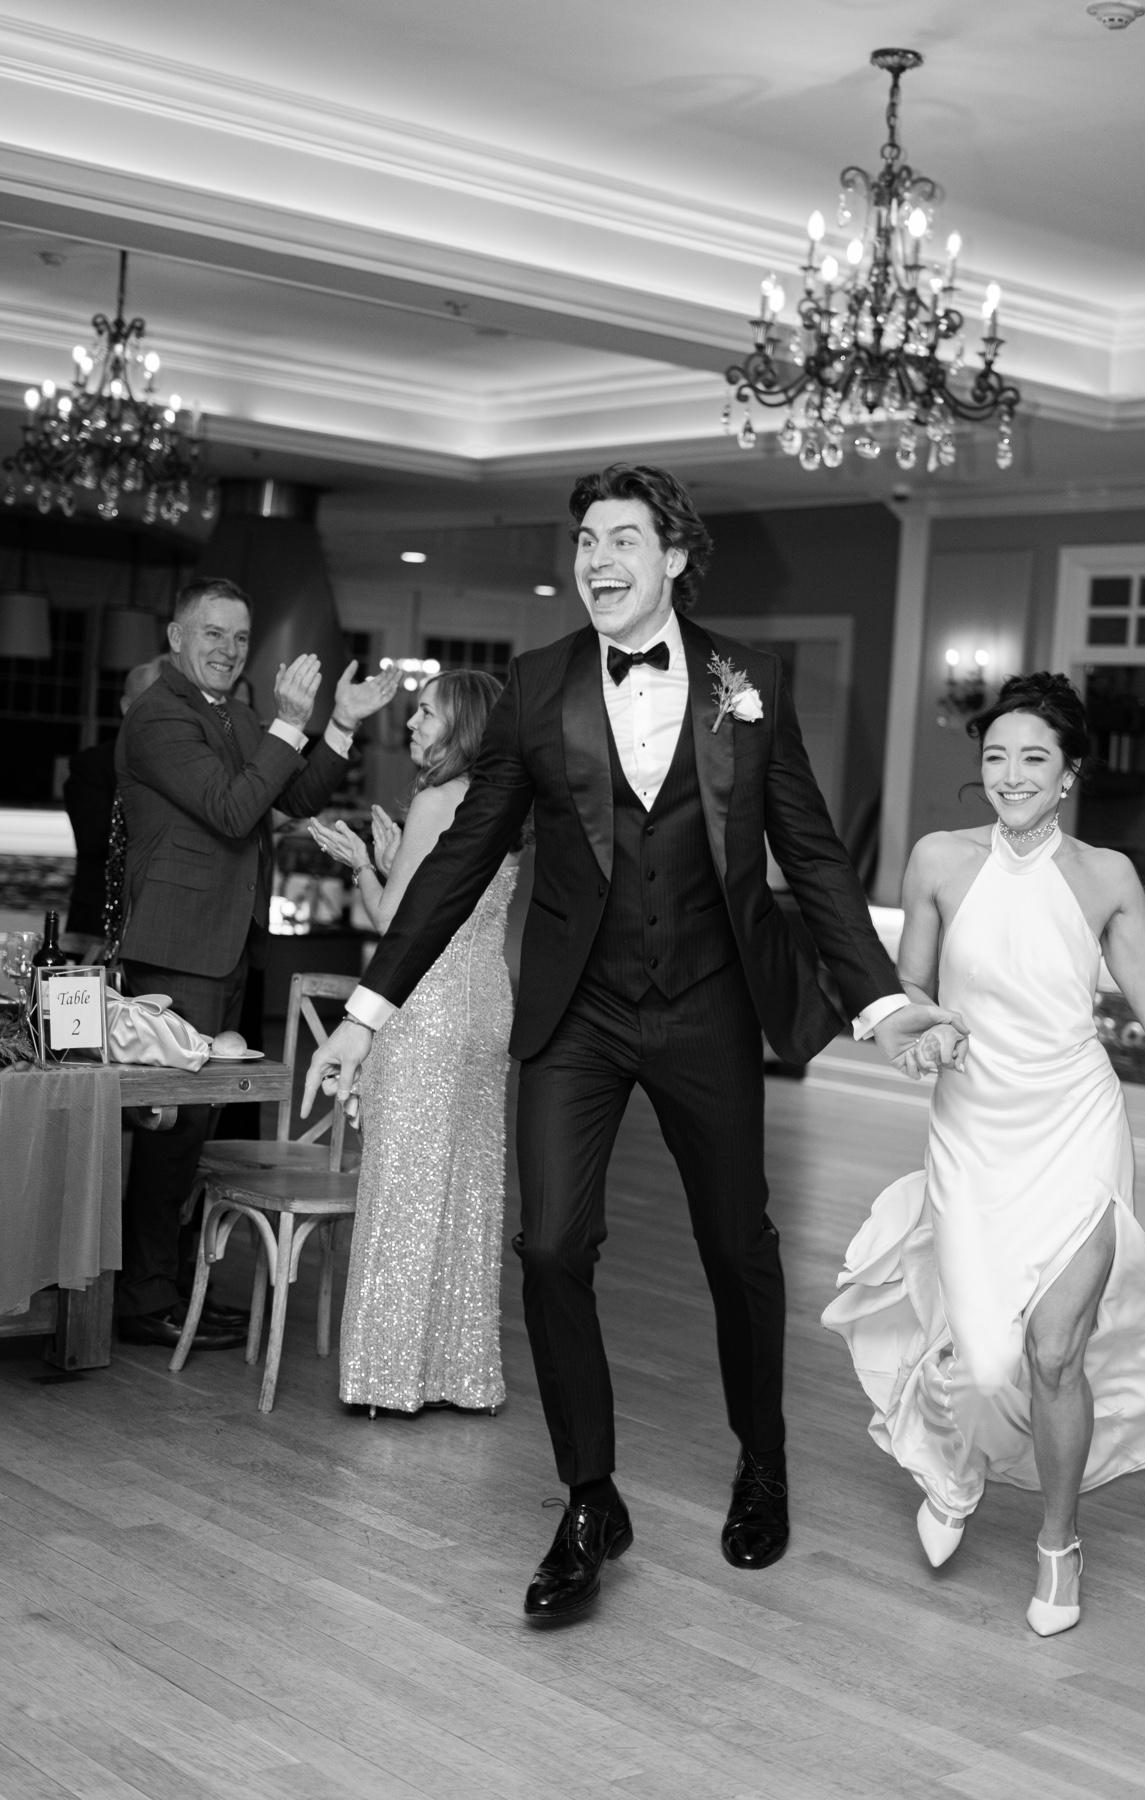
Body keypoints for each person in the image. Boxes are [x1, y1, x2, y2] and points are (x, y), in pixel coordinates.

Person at [302, 462, 958, 1625]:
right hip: (580, 1013)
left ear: (674, 557)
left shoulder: (748, 683)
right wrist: (367, 1013)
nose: (597, 560)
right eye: (585, 542)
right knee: (552, 1246)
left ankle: (763, 1459)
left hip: (708, 1002)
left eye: (621, 540)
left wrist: (879, 1003)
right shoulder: (536, 684)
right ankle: (589, 1500)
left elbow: (811, 852)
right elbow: (458, 863)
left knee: (738, 1245)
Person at [823, 672, 1145, 1637]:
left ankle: (1059, 1545)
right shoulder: (939, 860)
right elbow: (909, 988)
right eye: (996, 756)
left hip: (1076, 1124)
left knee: (1055, 1350)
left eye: (1034, 757)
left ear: (1069, 773)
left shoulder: (1107, 877)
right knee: (991, 1364)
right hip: (973, 1133)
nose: (1012, 774)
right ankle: (954, 1465)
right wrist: (928, 1028)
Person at [113, 575, 399, 1351]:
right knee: (173, 1131)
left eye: (240, 637)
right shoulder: (157, 717)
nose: (229, 649)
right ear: (176, 636)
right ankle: (142, 1299)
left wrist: (338, 724)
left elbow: (295, 795)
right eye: (213, 633)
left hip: (228, 942)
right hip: (178, 948)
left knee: (199, 1129)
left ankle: (174, 1290)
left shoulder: (232, 715)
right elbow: (236, 809)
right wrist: (288, 722)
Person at [307, 670, 520, 1415]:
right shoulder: (504, 806)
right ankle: (461, 1376)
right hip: (486, 1006)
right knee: (467, 1187)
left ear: (462, 725)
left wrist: (364, 865)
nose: (412, 724)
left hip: (426, 1007)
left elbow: (396, 921)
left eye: (425, 713)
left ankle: (388, 1377)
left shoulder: (436, 800)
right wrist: (397, 860)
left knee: (403, 1183)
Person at [62, 655, 167, 954]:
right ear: (126, 706)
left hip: (161, 925)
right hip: (96, 928)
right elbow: (94, 840)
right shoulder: (92, 765)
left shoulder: (183, 766)